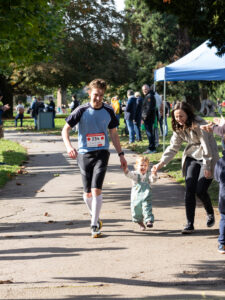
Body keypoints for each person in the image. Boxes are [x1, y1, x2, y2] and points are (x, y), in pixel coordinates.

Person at [62, 78, 127, 238]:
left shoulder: (108, 110)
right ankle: (96, 217)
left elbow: (113, 133)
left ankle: (94, 224)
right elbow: (65, 130)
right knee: (86, 195)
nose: (98, 99)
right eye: (96, 95)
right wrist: (69, 147)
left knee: (96, 189)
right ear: (90, 93)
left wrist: (121, 154)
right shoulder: (81, 110)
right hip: (84, 154)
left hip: (102, 153)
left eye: (101, 96)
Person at [152, 101, 219, 234]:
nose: (179, 119)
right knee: (189, 189)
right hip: (192, 156)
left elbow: (206, 147)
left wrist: (206, 166)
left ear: (188, 114)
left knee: (200, 190)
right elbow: (173, 147)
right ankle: (190, 224)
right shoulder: (178, 127)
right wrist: (161, 163)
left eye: (181, 116)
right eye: (176, 117)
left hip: (208, 157)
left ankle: (210, 212)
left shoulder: (199, 124)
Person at [200, 117, 225, 254]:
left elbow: (217, 178)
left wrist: (216, 126)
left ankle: (222, 243)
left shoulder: (221, 163)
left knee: (224, 220)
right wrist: (218, 125)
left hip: (223, 197)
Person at [124, 156, 158, 231]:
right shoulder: (135, 174)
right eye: (141, 165)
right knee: (136, 210)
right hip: (136, 196)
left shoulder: (148, 174)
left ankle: (148, 220)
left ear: (148, 166)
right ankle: (140, 223)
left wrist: (154, 174)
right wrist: (125, 169)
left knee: (147, 207)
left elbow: (153, 180)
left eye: (145, 165)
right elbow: (129, 174)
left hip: (146, 195)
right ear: (136, 166)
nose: (143, 167)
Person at [142, 84, 156, 154]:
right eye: (143, 90)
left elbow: (148, 108)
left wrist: (144, 116)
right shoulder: (148, 95)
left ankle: (152, 148)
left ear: (149, 89)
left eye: (146, 89)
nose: (144, 91)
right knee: (149, 133)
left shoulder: (149, 96)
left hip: (148, 118)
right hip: (148, 117)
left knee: (149, 133)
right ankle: (151, 147)